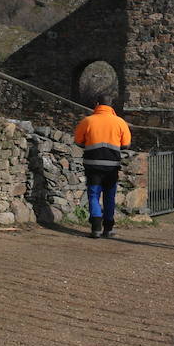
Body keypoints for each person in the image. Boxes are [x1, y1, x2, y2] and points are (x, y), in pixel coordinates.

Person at [73, 92, 131, 238]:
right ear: (111, 105)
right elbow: (126, 145)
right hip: (112, 167)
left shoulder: (87, 121)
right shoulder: (120, 122)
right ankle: (108, 228)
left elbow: (78, 142)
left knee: (93, 195)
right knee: (109, 196)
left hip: (92, 166)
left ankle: (96, 227)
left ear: (97, 104)